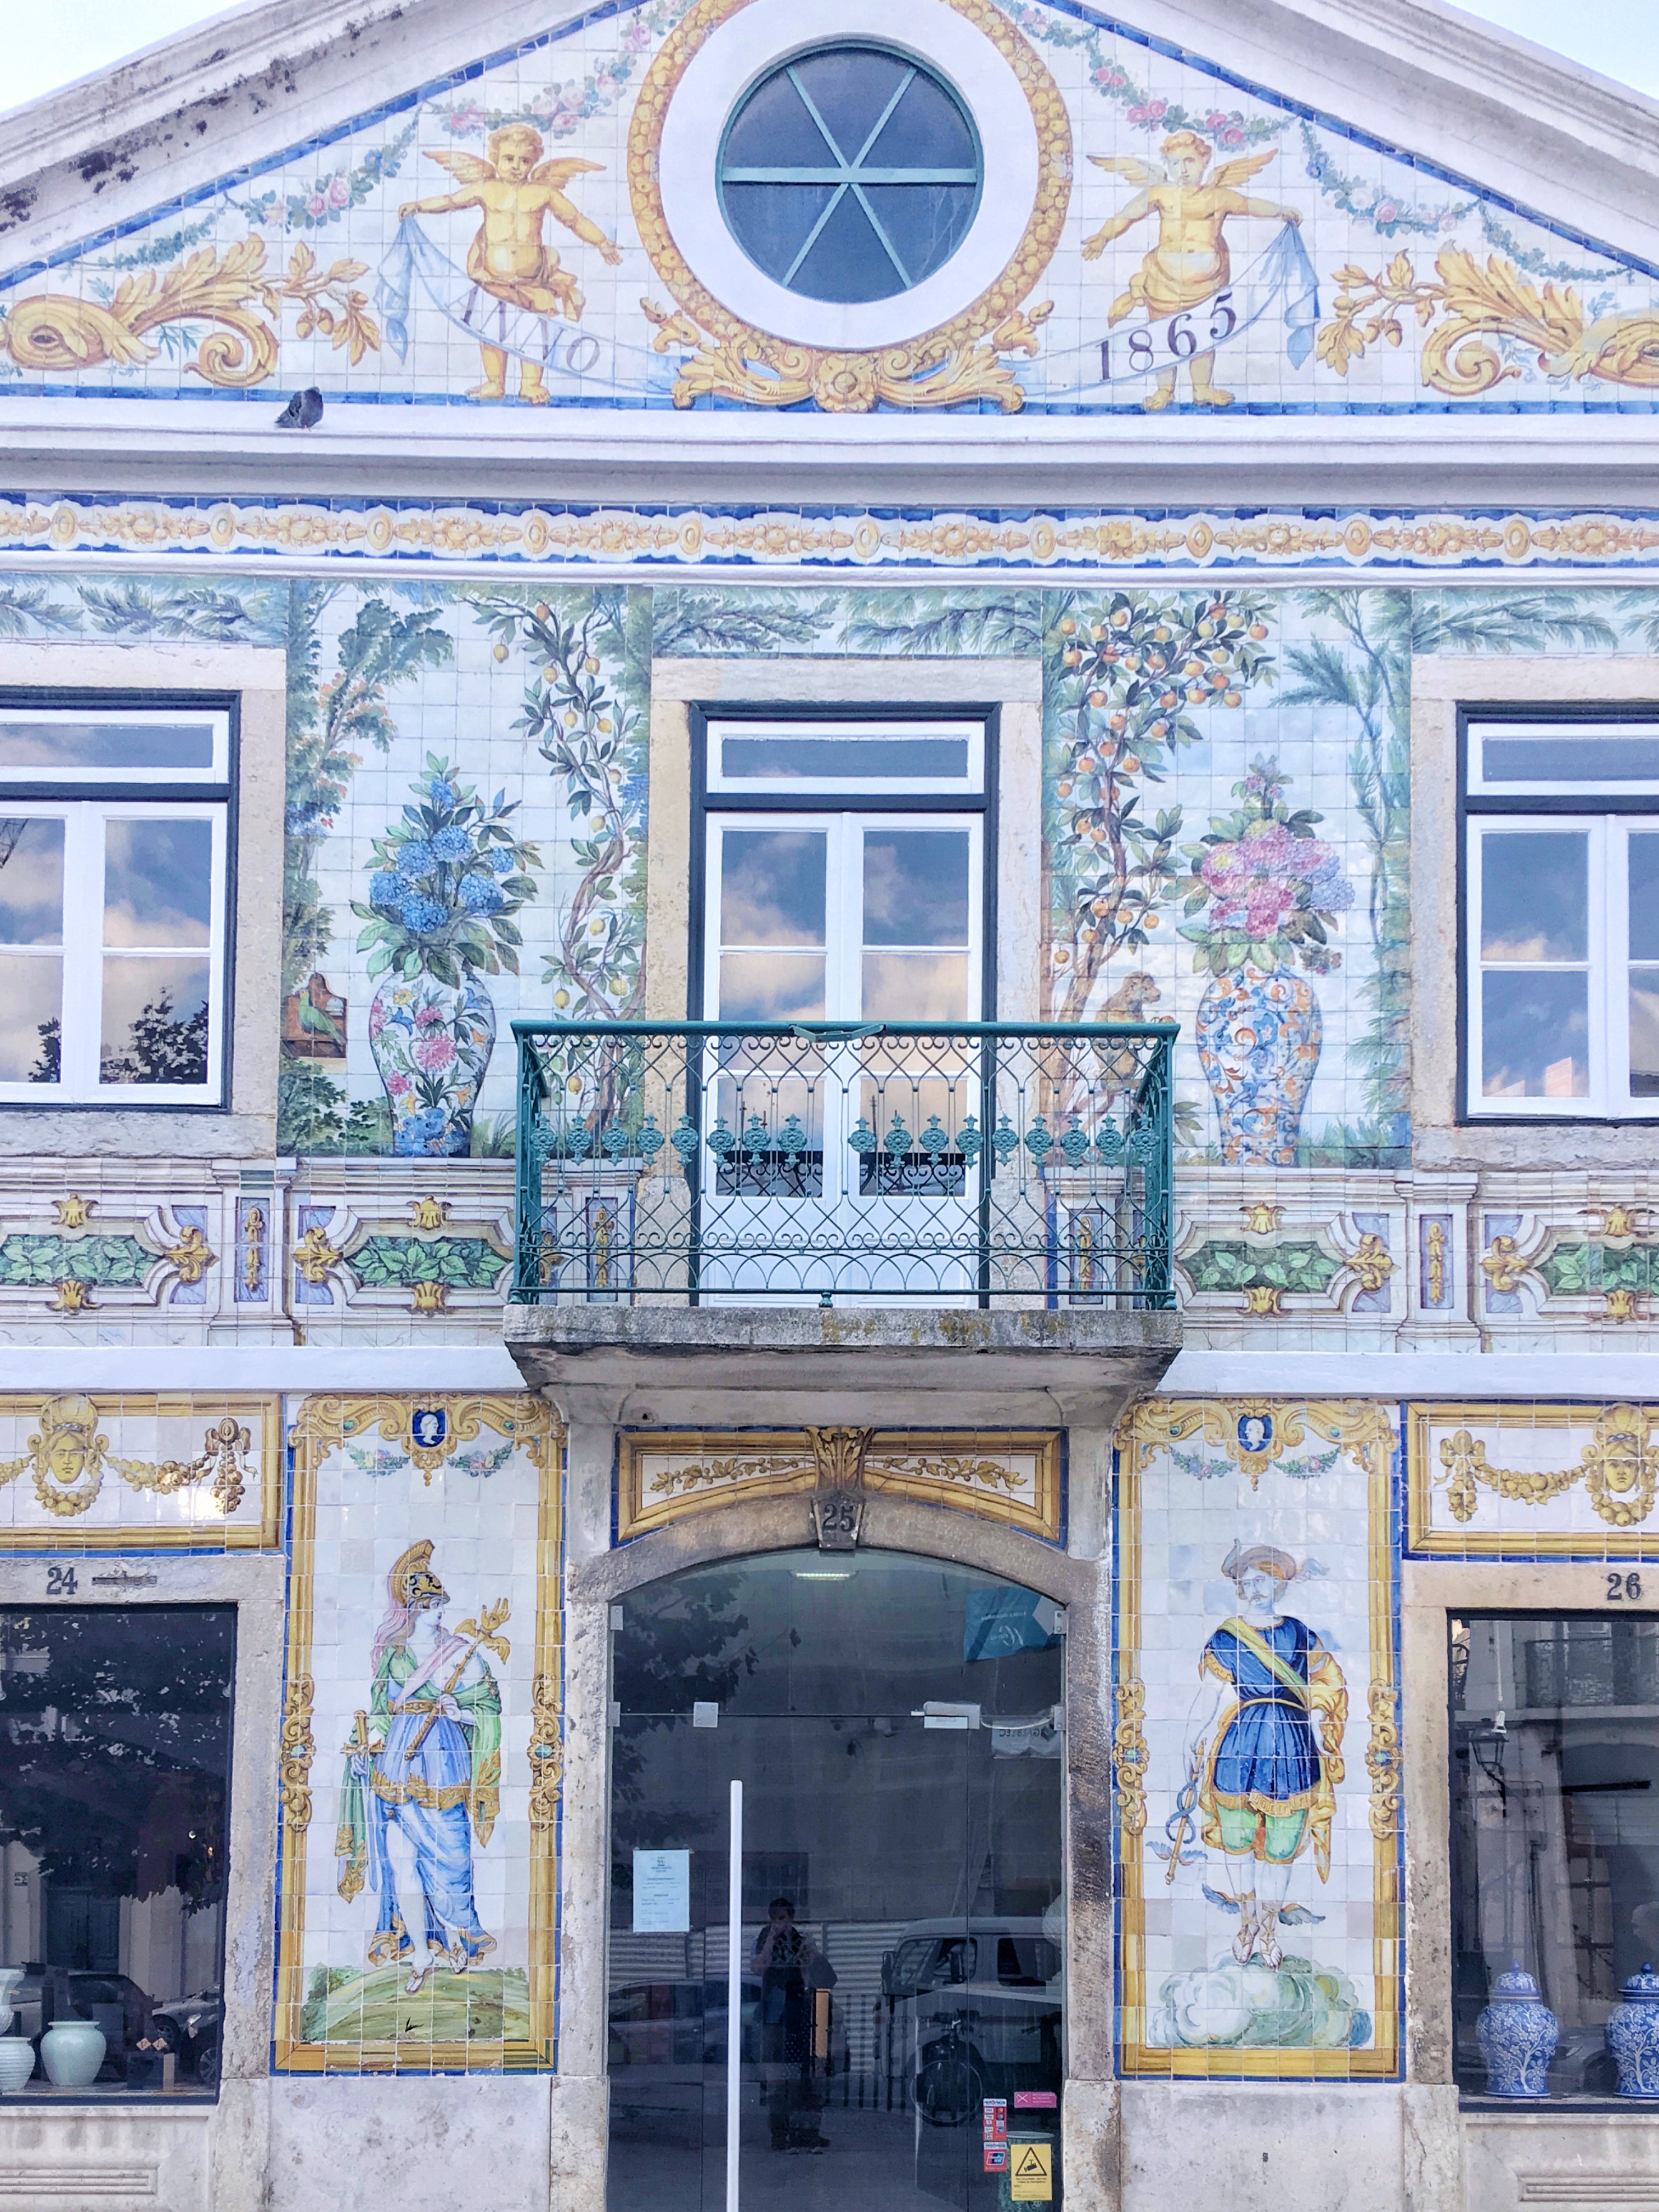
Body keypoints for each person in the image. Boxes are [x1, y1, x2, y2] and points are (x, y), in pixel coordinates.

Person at [336, 1540, 505, 1993]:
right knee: (401, 1862)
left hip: (443, 1763)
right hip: (396, 1763)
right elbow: (379, 1713)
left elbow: (489, 1708)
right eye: (428, 1605)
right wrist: (361, 1750)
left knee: (451, 1858)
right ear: (411, 1609)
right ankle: (422, 1953)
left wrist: (457, 1710)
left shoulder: (461, 1654)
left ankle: (458, 1941)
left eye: (439, 1604)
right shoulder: (393, 1655)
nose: (437, 1612)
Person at [1181, 1542, 1346, 1970]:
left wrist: (1322, 1715)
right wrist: (1193, 1740)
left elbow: (1330, 1681)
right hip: (1242, 1742)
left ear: (1279, 1583)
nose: (1254, 1588)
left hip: (1292, 1742)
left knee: (1282, 1845)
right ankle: (1246, 1923)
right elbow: (1210, 1696)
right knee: (1236, 1842)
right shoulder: (1226, 1636)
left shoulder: (1298, 1633)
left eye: (1262, 1580)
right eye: (1247, 1581)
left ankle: (1270, 1929)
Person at [398, 125, 622, 403]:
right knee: (492, 332)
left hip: (532, 281)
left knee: (533, 331)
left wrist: (602, 242)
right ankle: (495, 383)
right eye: (509, 159)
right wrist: (419, 206)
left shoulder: (542, 193)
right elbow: (451, 201)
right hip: (494, 278)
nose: (516, 166)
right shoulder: (486, 188)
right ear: (495, 158)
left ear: (534, 161)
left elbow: (574, 219)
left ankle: (530, 385)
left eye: (524, 161)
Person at [1082, 131, 1302, 410]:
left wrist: (1281, 210)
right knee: (1162, 334)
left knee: (1202, 334)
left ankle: (1202, 389)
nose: (1182, 170)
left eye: (1189, 161)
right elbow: (1127, 215)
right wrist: (1103, 236)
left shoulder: (1218, 197)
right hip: (1164, 277)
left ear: (1204, 161)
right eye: (1174, 163)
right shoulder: (1160, 193)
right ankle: (1164, 390)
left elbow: (1251, 206)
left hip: (1205, 282)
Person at [751, 1897, 834, 2152]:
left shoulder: (800, 1940)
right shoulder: (765, 1939)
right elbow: (757, 1968)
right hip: (775, 2015)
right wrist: (771, 1940)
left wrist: (810, 1951)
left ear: (792, 1919)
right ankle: (780, 2134)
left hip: (799, 2013)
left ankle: (805, 2133)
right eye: (775, 1918)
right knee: (776, 2078)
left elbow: (822, 1977)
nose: (780, 1924)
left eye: (784, 1918)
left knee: (804, 2077)